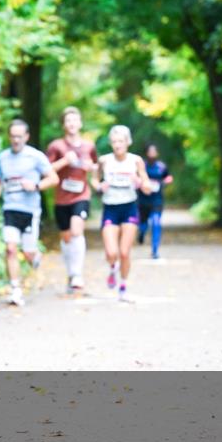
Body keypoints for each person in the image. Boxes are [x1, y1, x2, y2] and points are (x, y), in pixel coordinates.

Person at [0, 119, 59, 306]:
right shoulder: (3, 157)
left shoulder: (35, 157)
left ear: (26, 137)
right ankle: (15, 289)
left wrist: (36, 185)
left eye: (20, 136)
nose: (16, 140)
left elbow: (54, 178)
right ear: (9, 137)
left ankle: (34, 257)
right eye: (13, 136)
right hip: (10, 209)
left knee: (28, 253)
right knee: (10, 249)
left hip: (30, 211)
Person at [91, 125, 150, 302]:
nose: (117, 145)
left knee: (124, 252)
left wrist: (138, 181)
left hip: (129, 207)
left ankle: (123, 287)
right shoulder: (104, 160)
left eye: (121, 141)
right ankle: (112, 268)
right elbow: (93, 179)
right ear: (111, 143)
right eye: (115, 141)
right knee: (111, 252)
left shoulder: (136, 161)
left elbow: (147, 187)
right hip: (110, 208)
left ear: (128, 142)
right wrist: (100, 186)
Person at [46, 107, 98, 294]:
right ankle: (71, 274)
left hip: (81, 195)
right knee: (66, 238)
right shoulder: (56, 146)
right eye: (68, 121)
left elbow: (95, 167)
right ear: (63, 125)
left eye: (75, 120)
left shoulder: (89, 146)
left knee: (77, 231)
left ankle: (77, 274)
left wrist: (91, 168)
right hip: (61, 198)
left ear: (80, 123)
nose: (72, 124)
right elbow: (46, 169)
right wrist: (64, 162)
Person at [138, 143, 173, 259]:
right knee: (143, 224)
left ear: (157, 153)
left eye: (154, 151)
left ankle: (155, 250)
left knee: (156, 223)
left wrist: (163, 182)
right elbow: (135, 178)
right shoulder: (141, 166)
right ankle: (141, 234)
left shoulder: (161, 166)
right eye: (150, 151)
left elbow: (169, 177)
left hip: (157, 200)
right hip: (143, 200)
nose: (152, 154)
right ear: (146, 153)